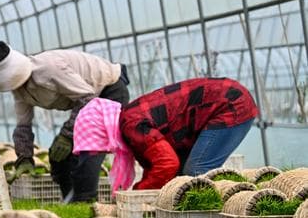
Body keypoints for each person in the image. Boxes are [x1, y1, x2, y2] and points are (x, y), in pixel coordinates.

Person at [0, 42, 129, 202]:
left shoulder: (49, 69)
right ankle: (70, 200)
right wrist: (25, 157)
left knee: (89, 150)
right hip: (87, 102)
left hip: (108, 91)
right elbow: (23, 126)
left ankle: (85, 201)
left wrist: (66, 136)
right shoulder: (20, 91)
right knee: (59, 157)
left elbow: (87, 98)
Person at [73, 77, 258, 191]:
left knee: (195, 173)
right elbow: (157, 163)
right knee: (181, 177)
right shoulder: (128, 119)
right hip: (224, 101)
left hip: (230, 105)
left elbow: (167, 164)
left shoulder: (131, 125)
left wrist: (140, 193)